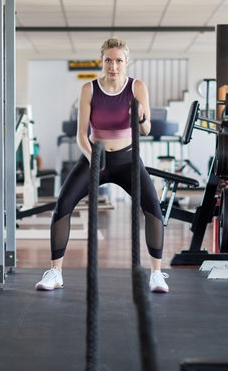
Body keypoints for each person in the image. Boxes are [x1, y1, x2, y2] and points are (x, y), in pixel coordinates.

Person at [35, 38, 169, 293]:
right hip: (94, 157)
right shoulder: (89, 89)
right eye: (109, 60)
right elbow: (80, 136)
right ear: (102, 61)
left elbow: (147, 128)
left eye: (119, 60)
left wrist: (141, 117)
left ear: (126, 62)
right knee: (63, 204)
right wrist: (92, 158)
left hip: (127, 159)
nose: (114, 66)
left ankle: (157, 274)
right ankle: (55, 272)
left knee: (153, 208)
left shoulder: (137, 87)